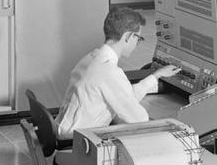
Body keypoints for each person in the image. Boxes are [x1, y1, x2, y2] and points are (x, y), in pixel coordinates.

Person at [55, 7, 180, 139]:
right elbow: (138, 118)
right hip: (76, 139)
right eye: (138, 38)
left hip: (65, 129)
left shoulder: (91, 58)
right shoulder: (109, 72)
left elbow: (124, 95)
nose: (137, 43)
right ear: (127, 36)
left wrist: (156, 76)